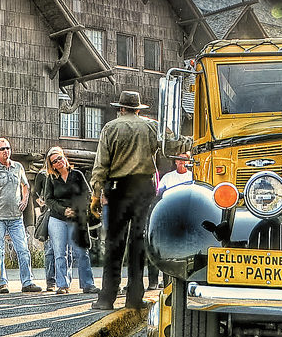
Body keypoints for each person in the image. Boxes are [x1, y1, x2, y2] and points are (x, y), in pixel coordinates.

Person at [89, 90, 189, 311]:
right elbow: (176, 145)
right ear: (138, 108)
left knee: (114, 245)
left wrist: (96, 195)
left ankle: (106, 298)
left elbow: (100, 165)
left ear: (120, 108)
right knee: (138, 244)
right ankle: (134, 298)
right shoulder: (151, 126)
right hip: (144, 188)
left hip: (117, 189)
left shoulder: (110, 128)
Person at [0, 138, 41, 294]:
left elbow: (26, 186)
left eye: (7, 148)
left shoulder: (18, 167)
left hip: (16, 217)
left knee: (23, 250)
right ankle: (3, 283)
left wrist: (24, 200)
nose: (5, 151)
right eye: (2, 149)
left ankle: (27, 282)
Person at [43, 147, 98, 295]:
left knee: (81, 252)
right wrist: (63, 210)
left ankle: (88, 284)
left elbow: (88, 194)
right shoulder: (51, 179)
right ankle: (63, 285)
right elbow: (48, 200)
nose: (59, 162)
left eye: (60, 158)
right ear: (52, 165)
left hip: (77, 217)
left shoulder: (77, 175)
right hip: (58, 218)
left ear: (64, 158)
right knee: (60, 253)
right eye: (55, 161)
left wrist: (77, 208)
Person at [146, 152, 194, 289]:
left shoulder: (192, 176)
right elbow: (159, 194)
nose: (181, 162)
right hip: (168, 216)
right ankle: (154, 281)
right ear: (175, 162)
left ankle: (174, 281)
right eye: (179, 160)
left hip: (186, 216)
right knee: (161, 248)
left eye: (184, 160)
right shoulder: (168, 177)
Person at [32, 164, 57, 291]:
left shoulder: (66, 174)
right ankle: (51, 281)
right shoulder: (43, 175)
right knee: (49, 250)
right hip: (47, 214)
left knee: (65, 251)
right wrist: (38, 215)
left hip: (62, 214)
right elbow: (34, 195)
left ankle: (64, 282)